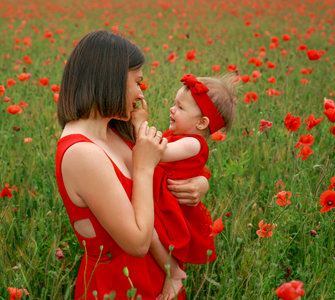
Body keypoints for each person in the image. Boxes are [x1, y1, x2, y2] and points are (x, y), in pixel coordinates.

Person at [55, 30, 209, 300]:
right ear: (110, 79)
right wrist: (143, 166)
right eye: (137, 81)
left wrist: (200, 182)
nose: (140, 92)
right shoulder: (81, 153)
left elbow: (159, 180)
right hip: (120, 284)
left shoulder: (112, 130)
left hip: (155, 275)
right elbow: (137, 242)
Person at [132, 73, 237, 299]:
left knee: (147, 232)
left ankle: (174, 272)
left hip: (170, 205)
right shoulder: (180, 135)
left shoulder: (193, 143)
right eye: (174, 104)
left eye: (180, 108)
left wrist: (140, 124)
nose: (172, 109)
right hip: (161, 197)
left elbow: (157, 153)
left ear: (201, 123)